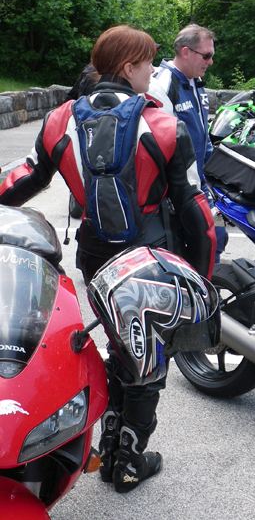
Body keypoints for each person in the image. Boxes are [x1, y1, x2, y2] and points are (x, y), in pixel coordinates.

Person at [0, 25, 217, 493]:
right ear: (128, 66)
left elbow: (26, 179)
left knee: (117, 345)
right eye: (149, 63)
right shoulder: (163, 124)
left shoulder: (60, 118)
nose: (154, 72)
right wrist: (203, 276)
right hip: (148, 255)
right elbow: (196, 211)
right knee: (146, 356)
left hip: (94, 254)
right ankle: (128, 463)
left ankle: (109, 442)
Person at [146, 24, 227, 262]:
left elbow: (202, 135)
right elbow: (161, 146)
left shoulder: (195, 81)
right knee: (193, 248)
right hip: (180, 188)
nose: (211, 62)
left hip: (200, 182)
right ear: (186, 52)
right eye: (207, 56)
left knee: (216, 239)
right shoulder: (162, 84)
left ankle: (208, 283)